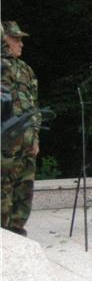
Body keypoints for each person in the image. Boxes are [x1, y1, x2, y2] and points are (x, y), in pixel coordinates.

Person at [1, 21, 40, 237]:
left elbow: (34, 105)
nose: (20, 44)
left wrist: (35, 137)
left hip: (26, 139)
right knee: (3, 186)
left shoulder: (26, 70)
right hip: (4, 140)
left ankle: (17, 228)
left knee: (25, 186)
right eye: (15, 39)